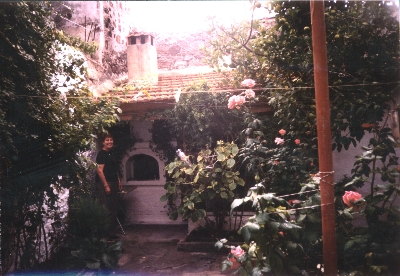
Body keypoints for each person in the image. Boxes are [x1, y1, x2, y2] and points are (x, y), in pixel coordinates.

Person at [95, 133, 122, 239]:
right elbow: (99, 171)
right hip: (105, 184)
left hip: (113, 182)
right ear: (103, 142)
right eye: (107, 140)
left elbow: (115, 169)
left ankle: (112, 234)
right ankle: (105, 235)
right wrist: (106, 185)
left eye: (111, 140)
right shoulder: (102, 154)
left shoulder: (111, 153)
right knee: (106, 209)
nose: (109, 142)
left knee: (113, 208)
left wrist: (119, 181)